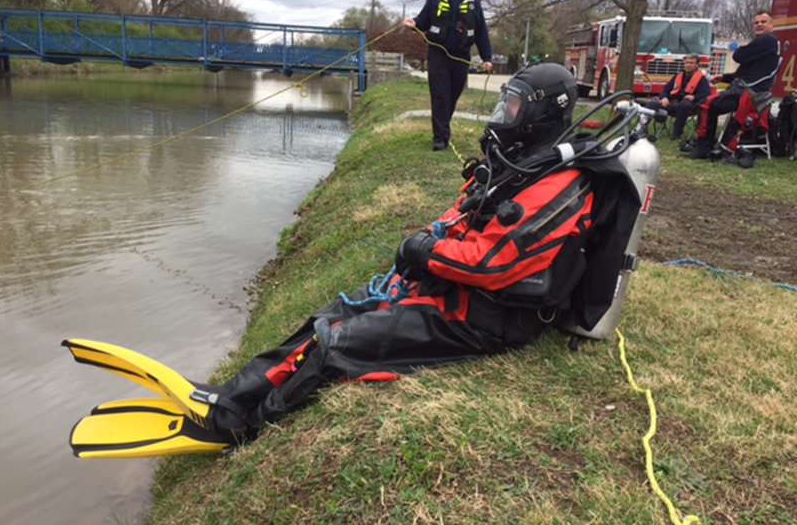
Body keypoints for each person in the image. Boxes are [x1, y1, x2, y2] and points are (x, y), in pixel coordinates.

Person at [64, 64, 645, 458]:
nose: (504, 117)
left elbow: (491, 263)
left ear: (544, 114)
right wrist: (428, 240)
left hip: (495, 317)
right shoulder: (524, 161)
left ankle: (236, 426)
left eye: (515, 108)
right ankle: (230, 392)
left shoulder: (561, 184)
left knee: (341, 343)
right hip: (462, 295)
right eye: (505, 104)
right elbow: (464, 216)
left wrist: (426, 252)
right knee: (334, 311)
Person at [403, 0, 493, 151]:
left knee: (452, 96)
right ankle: (440, 138)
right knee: (440, 96)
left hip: (461, 57)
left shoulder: (473, 1)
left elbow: (481, 31)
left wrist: (487, 58)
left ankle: (442, 129)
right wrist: (414, 24)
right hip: (438, 55)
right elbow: (423, 19)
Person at [690, 10, 780, 159]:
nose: (759, 25)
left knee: (705, 105)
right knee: (710, 106)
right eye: (756, 22)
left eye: (763, 22)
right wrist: (723, 77)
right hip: (748, 91)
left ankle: (702, 148)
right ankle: (708, 145)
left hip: (748, 94)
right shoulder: (765, 44)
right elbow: (743, 73)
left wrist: (738, 48)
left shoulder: (767, 40)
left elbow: (738, 56)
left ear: (771, 25)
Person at [647, 53, 710, 140]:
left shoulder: (702, 80)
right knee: (652, 104)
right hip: (672, 104)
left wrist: (694, 97)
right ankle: (642, 128)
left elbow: (706, 95)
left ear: (697, 65)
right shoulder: (677, 76)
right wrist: (664, 98)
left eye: (691, 63)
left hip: (689, 106)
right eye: (687, 63)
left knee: (684, 105)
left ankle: (676, 133)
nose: (688, 65)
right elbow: (665, 91)